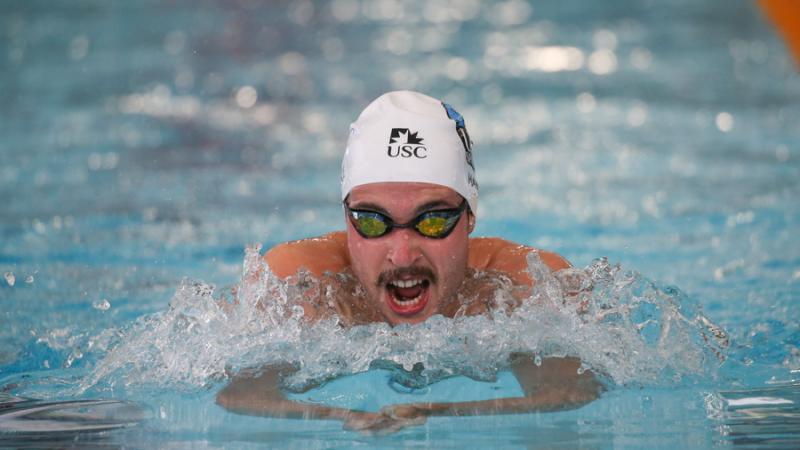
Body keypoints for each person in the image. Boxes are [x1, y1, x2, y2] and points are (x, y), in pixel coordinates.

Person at [216, 91, 601, 434]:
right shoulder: (301, 282)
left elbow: (567, 397)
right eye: (372, 221)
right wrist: (341, 419)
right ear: (346, 220)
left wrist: (440, 413)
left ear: (469, 216)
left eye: (432, 220)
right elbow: (241, 398)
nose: (402, 255)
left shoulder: (525, 284)